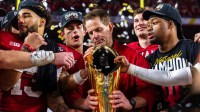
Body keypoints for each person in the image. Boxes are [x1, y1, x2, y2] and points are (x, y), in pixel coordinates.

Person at [0, 1, 85, 111]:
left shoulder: (54, 48)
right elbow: (5, 84)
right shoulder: (5, 39)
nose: (20, 20)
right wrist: (27, 48)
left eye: (26, 16)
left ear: (42, 22)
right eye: (19, 17)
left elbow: (52, 96)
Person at [65, 9, 156, 112]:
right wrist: (82, 103)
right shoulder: (86, 60)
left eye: (98, 30)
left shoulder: (133, 56)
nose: (95, 36)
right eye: (91, 33)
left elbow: (149, 90)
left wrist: (131, 102)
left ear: (110, 27)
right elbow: (70, 93)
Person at [141, 3, 200, 112]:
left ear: (170, 24)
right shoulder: (149, 60)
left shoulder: (193, 48)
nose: (148, 27)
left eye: (154, 22)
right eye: (148, 23)